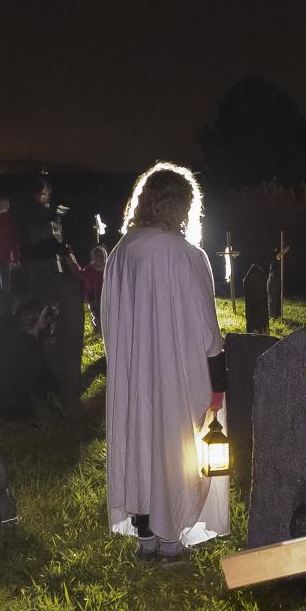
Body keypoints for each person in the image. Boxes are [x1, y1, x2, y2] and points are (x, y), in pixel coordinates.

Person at [103, 162, 228, 562]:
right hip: (177, 372)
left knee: (140, 442)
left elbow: (110, 320)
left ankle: (147, 539)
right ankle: (171, 542)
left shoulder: (121, 253)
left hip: (134, 373)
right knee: (176, 447)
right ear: (182, 207)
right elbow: (207, 327)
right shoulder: (186, 254)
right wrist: (217, 381)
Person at [20, 178, 85, 409]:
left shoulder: (52, 216)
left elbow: (60, 239)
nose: (46, 197)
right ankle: (54, 390)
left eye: (48, 192)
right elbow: (42, 242)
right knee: (51, 334)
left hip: (57, 277)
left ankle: (63, 390)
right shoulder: (32, 217)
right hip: (44, 276)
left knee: (64, 332)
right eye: (42, 193)